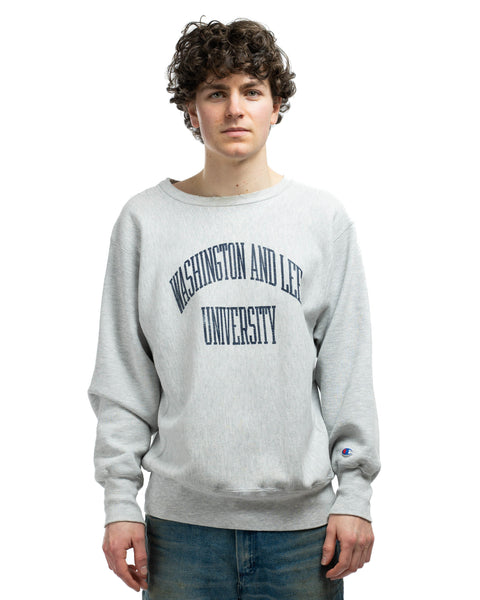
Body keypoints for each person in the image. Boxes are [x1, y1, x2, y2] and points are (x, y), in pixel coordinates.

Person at [88, 18, 381, 600]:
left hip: (303, 532)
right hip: (179, 532)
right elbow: (123, 376)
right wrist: (120, 501)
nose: (234, 109)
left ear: (277, 105)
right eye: (215, 93)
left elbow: (347, 372)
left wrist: (355, 494)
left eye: (252, 90)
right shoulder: (145, 221)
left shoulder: (322, 220)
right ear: (191, 109)